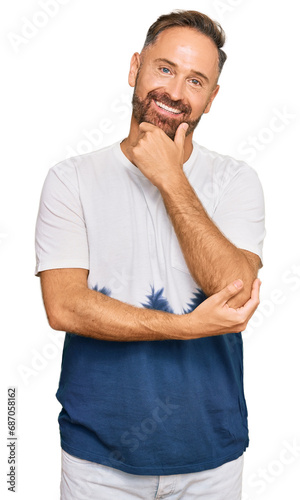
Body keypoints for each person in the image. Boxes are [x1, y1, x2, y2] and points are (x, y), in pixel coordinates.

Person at [35, 9, 265, 500]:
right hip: (97, 460)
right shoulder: (71, 179)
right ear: (135, 67)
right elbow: (64, 306)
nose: (176, 92)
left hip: (211, 458)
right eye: (164, 69)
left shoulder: (236, 180)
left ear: (212, 97)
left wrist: (170, 177)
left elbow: (237, 292)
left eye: (196, 80)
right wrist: (186, 327)